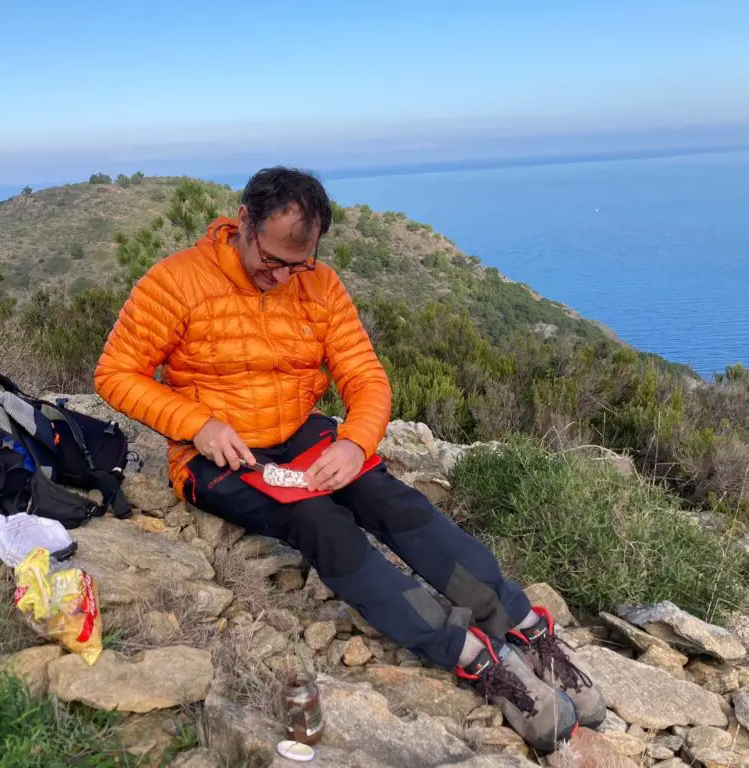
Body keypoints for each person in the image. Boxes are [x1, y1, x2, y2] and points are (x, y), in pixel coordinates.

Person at [95, 167, 604, 752]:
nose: (284, 275)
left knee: (396, 504)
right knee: (321, 523)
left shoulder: (321, 286)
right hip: (219, 455)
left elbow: (365, 377)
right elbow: (114, 373)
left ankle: (520, 623)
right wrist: (196, 424)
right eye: (273, 259)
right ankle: (474, 658)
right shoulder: (176, 282)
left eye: (299, 263)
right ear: (243, 222)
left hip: (302, 433)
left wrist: (353, 443)